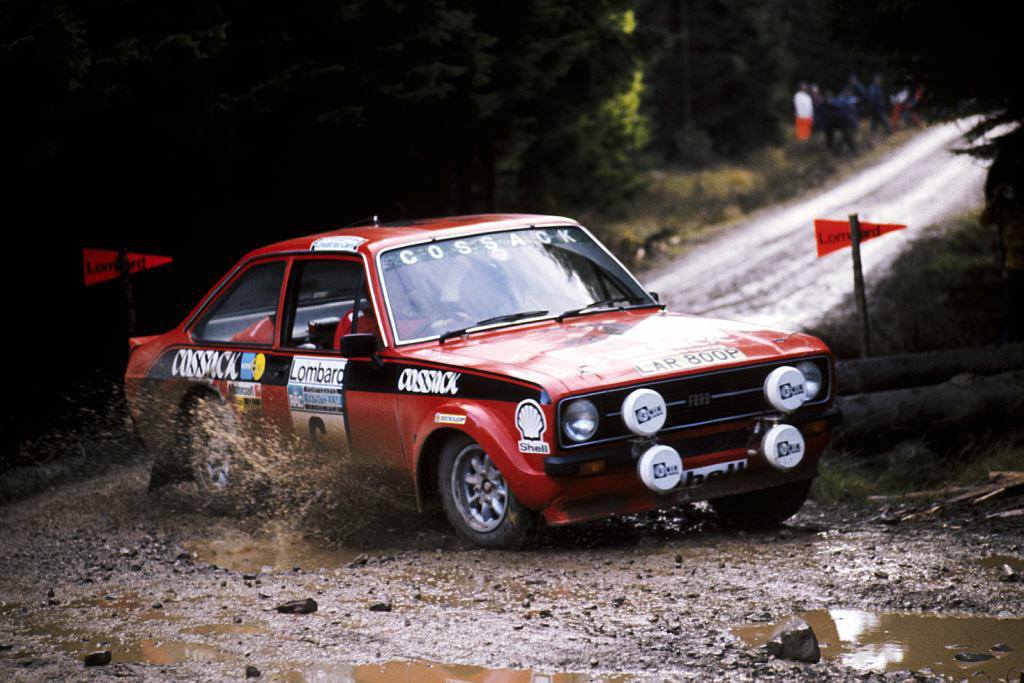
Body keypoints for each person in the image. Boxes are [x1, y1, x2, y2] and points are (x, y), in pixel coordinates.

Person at [983, 134, 1024, 342]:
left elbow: (987, 218)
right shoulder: (1002, 176)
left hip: (1013, 259)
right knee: (1014, 312)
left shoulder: (1000, 172)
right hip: (1014, 260)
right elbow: (987, 218)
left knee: (1014, 313)